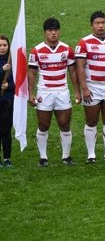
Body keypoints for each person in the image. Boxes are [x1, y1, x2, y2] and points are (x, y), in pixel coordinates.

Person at [28, 17, 79, 166]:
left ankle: (66, 156)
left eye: (56, 30)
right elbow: (32, 73)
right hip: (44, 92)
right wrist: (31, 93)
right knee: (43, 125)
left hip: (62, 91)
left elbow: (72, 71)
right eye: (50, 30)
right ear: (45, 32)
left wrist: (77, 91)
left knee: (65, 124)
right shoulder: (36, 51)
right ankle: (43, 157)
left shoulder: (67, 49)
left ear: (59, 31)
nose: (53, 33)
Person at [75, 10, 105, 163]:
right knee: (91, 121)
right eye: (97, 23)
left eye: (103, 23)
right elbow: (79, 67)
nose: (100, 26)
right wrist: (84, 88)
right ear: (92, 25)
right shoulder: (84, 43)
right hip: (92, 87)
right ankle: (91, 155)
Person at [0, 35, 13, 167]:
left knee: (6, 130)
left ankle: (7, 158)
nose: (2, 48)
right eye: (0, 45)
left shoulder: (12, 62)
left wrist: (8, 86)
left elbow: (18, 82)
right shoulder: (5, 66)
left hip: (7, 101)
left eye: (4, 45)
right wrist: (2, 70)